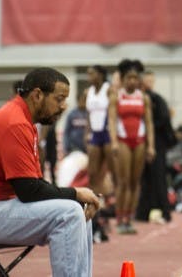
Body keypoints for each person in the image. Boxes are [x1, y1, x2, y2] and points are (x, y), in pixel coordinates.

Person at [0, 67, 100, 277]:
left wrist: (76, 198)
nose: (64, 106)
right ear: (37, 95)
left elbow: (35, 184)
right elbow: (29, 191)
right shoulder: (14, 123)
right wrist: (76, 193)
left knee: (77, 210)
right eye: (59, 99)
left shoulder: (24, 121)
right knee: (68, 213)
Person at [107, 59, 155, 234]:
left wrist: (151, 146)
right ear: (124, 79)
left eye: (135, 78)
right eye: (129, 78)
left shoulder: (144, 97)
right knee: (123, 182)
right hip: (123, 141)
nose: (132, 81)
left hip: (140, 141)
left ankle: (129, 217)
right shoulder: (116, 96)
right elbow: (112, 121)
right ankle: (120, 217)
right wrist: (113, 142)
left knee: (135, 183)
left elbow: (148, 123)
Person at [136, 70, 177, 224]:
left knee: (159, 178)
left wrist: (149, 128)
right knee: (144, 180)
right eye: (147, 80)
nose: (150, 83)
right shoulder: (138, 98)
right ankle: (142, 212)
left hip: (157, 144)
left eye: (151, 80)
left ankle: (166, 212)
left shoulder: (157, 99)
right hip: (140, 142)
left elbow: (165, 120)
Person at [84, 65, 113, 200]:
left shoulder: (109, 89)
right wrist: (87, 133)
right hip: (95, 134)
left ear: (100, 75)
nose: (89, 77)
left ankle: (114, 201)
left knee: (112, 171)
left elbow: (114, 113)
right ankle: (96, 200)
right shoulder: (88, 92)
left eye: (92, 74)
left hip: (108, 133)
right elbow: (88, 115)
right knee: (93, 172)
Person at [63, 90, 89, 155]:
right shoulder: (72, 114)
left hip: (86, 148)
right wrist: (66, 147)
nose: (83, 102)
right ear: (78, 100)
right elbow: (66, 132)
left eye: (85, 100)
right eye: (82, 100)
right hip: (74, 148)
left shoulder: (89, 114)